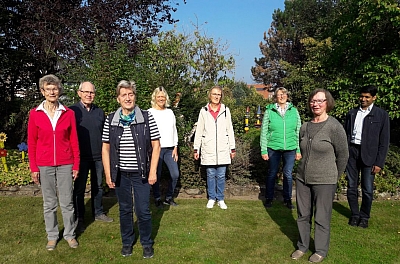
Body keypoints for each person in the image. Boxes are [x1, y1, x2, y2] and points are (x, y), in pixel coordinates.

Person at [102, 80, 160, 259]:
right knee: (125, 210)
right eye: (124, 95)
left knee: (142, 210)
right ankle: (127, 242)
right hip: (120, 174)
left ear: (135, 96)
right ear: (118, 99)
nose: (128, 98)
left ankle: (146, 243)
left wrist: (152, 171)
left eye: (131, 94)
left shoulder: (146, 117)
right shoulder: (111, 119)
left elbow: (156, 145)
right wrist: (108, 173)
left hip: (141, 172)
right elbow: (105, 148)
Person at [291, 89, 348, 263]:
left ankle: (321, 250)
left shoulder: (334, 127)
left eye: (320, 101)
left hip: (325, 180)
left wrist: (334, 177)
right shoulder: (305, 126)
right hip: (302, 179)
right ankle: (302, 246)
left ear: (327, 103)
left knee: (322, 217)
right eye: (313, 101)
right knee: (303, 215)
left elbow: (343, 155)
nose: (315, 104)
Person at [27, 74, 80, 250]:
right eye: (48, 89)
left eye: (55, 88)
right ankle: (52, 235)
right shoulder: (35, 114)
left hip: (66, 163)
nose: (52, 91)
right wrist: (34, 167)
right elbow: (32, 142)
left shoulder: (68, 113)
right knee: (49, 203)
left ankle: (70, 235)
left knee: (67, 202)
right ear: (43, 91)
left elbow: (74, 141)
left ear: (59, 91)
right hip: (44, 164)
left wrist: (76, 164)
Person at [70, 82, 113, 233]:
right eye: (86, 92)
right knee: (79, 189)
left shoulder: (100, 112)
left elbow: (105, 135)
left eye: (92, 92)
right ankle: (80, 217)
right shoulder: (72, 111)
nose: (89, 95)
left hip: (98, 157)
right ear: (79, 93)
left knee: (98, 186)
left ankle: (98, 212)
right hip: (80, 157)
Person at [344, 85, 390, 228]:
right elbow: (346, 134)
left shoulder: (381, 115)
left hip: (370, 155)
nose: (363, 99)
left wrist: (379, 162)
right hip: (352, 152)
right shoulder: (352, 113)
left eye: (367, 97)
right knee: (351, 186)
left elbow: (384, 141)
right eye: (361, 96)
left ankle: (364, 217)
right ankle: (355, 214)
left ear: (374, 98)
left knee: (367, 189)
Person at [193, 86, 236, 210]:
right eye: (214, 94)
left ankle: (220, 198)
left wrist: (232, 148)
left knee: (221, 175)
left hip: (223, 148)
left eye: (219, 94)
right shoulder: (204, 111)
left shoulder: (226, 110)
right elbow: (199, 130)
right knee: (211, 174)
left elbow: (230, 130)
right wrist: (197, 148)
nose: (217, 96)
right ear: (210, 95)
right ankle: (212, 198)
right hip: (209, 148)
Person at [260, 87, 301, 209]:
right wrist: (263, 149)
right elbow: (264, 131)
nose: (282, 96)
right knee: (272, 173)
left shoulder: (294, 111)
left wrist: (298, 149)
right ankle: (269, 198)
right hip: (273, 147)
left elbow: (298, 131)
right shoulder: (270, 111)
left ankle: (287, 199)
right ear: (275, 97)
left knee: (288, 174)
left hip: (290, 147)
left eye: (283, 94)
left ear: (287, 96)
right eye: (279, 95)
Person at [148, 87, 180, 208]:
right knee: (156, 174)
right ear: (155, 98)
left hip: (170, 149)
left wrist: (175, 147)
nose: (161, 99)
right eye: (159, 96)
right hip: (156, 149)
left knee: (175, 174)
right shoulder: (149, 112)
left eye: (163, 96)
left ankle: (168, 198)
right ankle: (157, 198)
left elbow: (174, 130)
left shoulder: (170, 112)